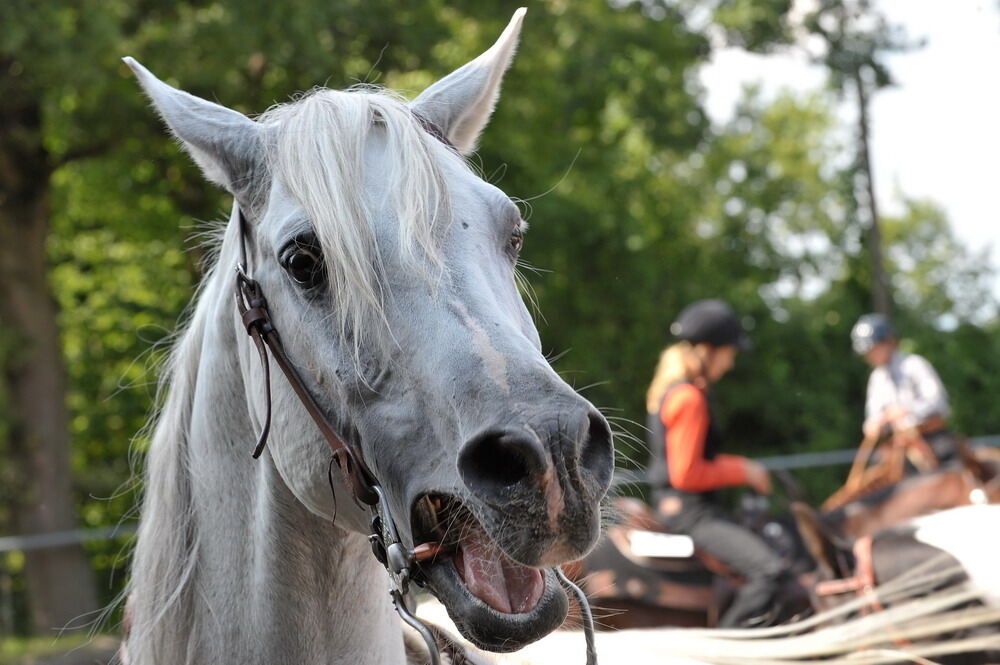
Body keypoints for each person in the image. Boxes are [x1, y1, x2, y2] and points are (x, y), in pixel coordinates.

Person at [645, 299, 783, 628]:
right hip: (693, 514)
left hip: (683, 508)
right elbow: (687, 473)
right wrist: (744, 471)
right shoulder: (689, 398)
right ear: (708, 350)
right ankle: (724, 650)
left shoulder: (675, 390)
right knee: (769, 572)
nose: (731, 363)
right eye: (730, 353)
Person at [850, 313, 955, 467]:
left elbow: (938, 402)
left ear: (889, 342)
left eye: (873, 349)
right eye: (867, 353)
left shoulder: (915, 365)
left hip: (933, 440)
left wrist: (907, 411)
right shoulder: (876, 378)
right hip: (900, 447)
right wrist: (875, 424)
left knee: (951, 478)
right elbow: (873, 415)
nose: (869, 356)